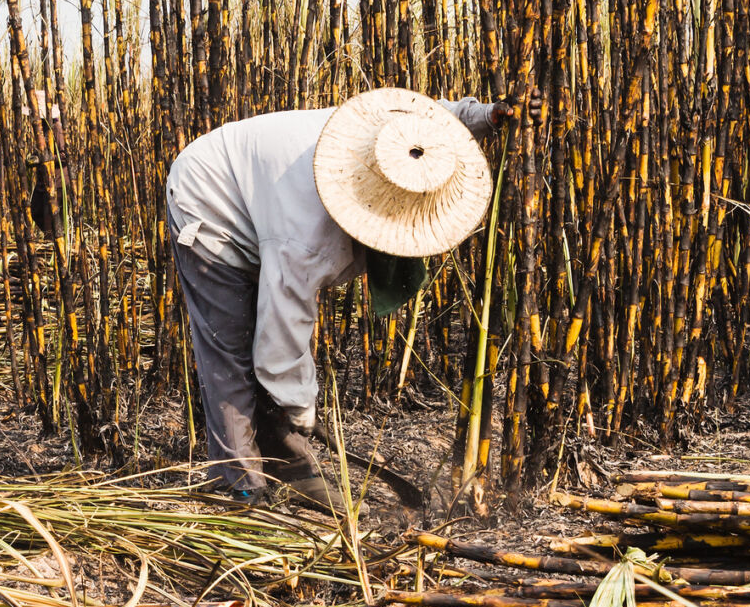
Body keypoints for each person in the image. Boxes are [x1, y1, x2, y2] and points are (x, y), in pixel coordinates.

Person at [166, 88, 512, 508]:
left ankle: (289, 468)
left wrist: (484, 116)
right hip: (210, 196)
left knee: (272, 363)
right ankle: (238, 482)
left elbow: (433, 121)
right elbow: (281, 334)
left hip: (266, 197)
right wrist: (301, 407)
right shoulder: (308, 237)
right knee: (231, 347)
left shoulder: (391, 138)